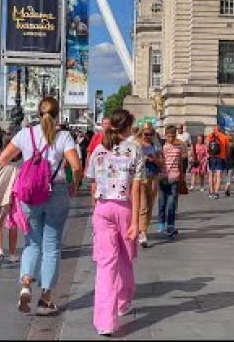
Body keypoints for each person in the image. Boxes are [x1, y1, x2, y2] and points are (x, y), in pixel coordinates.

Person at [0, 97, 83, 316]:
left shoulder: (24, 134)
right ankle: (46, 298)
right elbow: (76, 165)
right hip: (56, 191)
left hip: (29, 195)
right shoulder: (63, 136)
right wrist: (74, 184)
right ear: (57, 114)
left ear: (38, 113)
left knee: (32, 242)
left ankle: (26, 284)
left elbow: (3, 159)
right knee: (52, 245)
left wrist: (25, 173)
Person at [85, 109, 142, 336]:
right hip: (125, 208)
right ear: (127, 126)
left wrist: (95, 213)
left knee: (105, 265)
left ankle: (105, 321)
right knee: (126, 259)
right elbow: (136, 187)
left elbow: (92, 184)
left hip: (102, 208)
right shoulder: (134, 149)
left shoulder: (98, 150)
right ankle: (123, 300)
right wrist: (136, 221)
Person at [0, 130, 20, 268]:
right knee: (12, 224)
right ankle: (12, 254)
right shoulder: (22, 161)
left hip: (2, 195)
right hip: (16, 195)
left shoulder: (1, 159)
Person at [137, 122, 164, 247]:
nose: (148, 136)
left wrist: (154, 159)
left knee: (150, 205)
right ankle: (142, 233)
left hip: (153, 176)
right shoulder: (136, 145)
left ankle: (144, 228)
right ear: (141, 133)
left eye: (151, 134)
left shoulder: (155, 145)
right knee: (143, 206)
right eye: (146, 134)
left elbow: (162, 163)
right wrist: (143, 159)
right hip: (140, 178)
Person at [159, 125, 186, 241]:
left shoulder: (179, 146)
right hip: (162, 178)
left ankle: (170, 226)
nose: (170, 139)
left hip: (174, 178)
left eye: (173, 136)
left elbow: (181, 161)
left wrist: (181, 175)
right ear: (165, 136)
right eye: (169, 136)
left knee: (171, 205)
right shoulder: (161, 147)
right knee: (162, 203)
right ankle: (161, 222)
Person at [206, 125, 229, 199]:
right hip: (220, 158)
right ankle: (216, 193)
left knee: (211, 175)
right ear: (220, 130)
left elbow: (207, 146)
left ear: (214, 130)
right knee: (218, 176)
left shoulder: (210, 136)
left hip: (211, 157)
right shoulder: (224, 137)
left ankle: (211, 192)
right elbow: (227, 149)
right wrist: (226, 156)